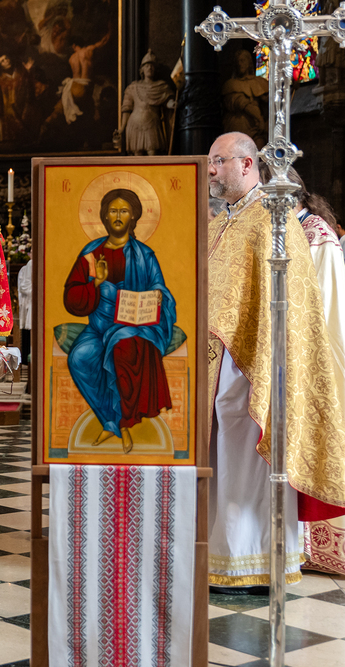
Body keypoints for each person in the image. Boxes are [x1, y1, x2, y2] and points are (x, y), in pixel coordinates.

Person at [207, 132, 345, 593]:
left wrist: (263, 357)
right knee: (221, 450)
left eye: (218, 161)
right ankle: (222, 552)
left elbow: (290, 301)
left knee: (246, 449)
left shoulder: (272, 217)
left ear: (247, 164)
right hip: (217, 364)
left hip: (255, 365)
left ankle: (256, 560)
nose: (210, 170)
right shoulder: (222, 221)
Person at [63, 188, 176, 453]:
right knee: (78, 358)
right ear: (104, 216)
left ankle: (124, 421)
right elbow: (72, 298)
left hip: (134, 325)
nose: (117, 216)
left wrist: (158, 295)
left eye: (124, 211)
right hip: (98, 327)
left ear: (133, 217)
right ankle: (111, 421)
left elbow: (159, 287)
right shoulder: (91, 253)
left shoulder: (144, 255)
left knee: (122, 349)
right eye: (113, 210)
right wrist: (96, 283)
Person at [277, 169, 345, 576]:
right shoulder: (290, 230)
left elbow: (326, 308)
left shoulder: (317, 235)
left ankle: (313, 546)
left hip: (309, 357)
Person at [18, 256, 32, 364]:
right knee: (28, 332)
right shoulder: (27, 267)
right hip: (30, 302)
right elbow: (24, 286)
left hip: (32, 301)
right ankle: (26, 359)